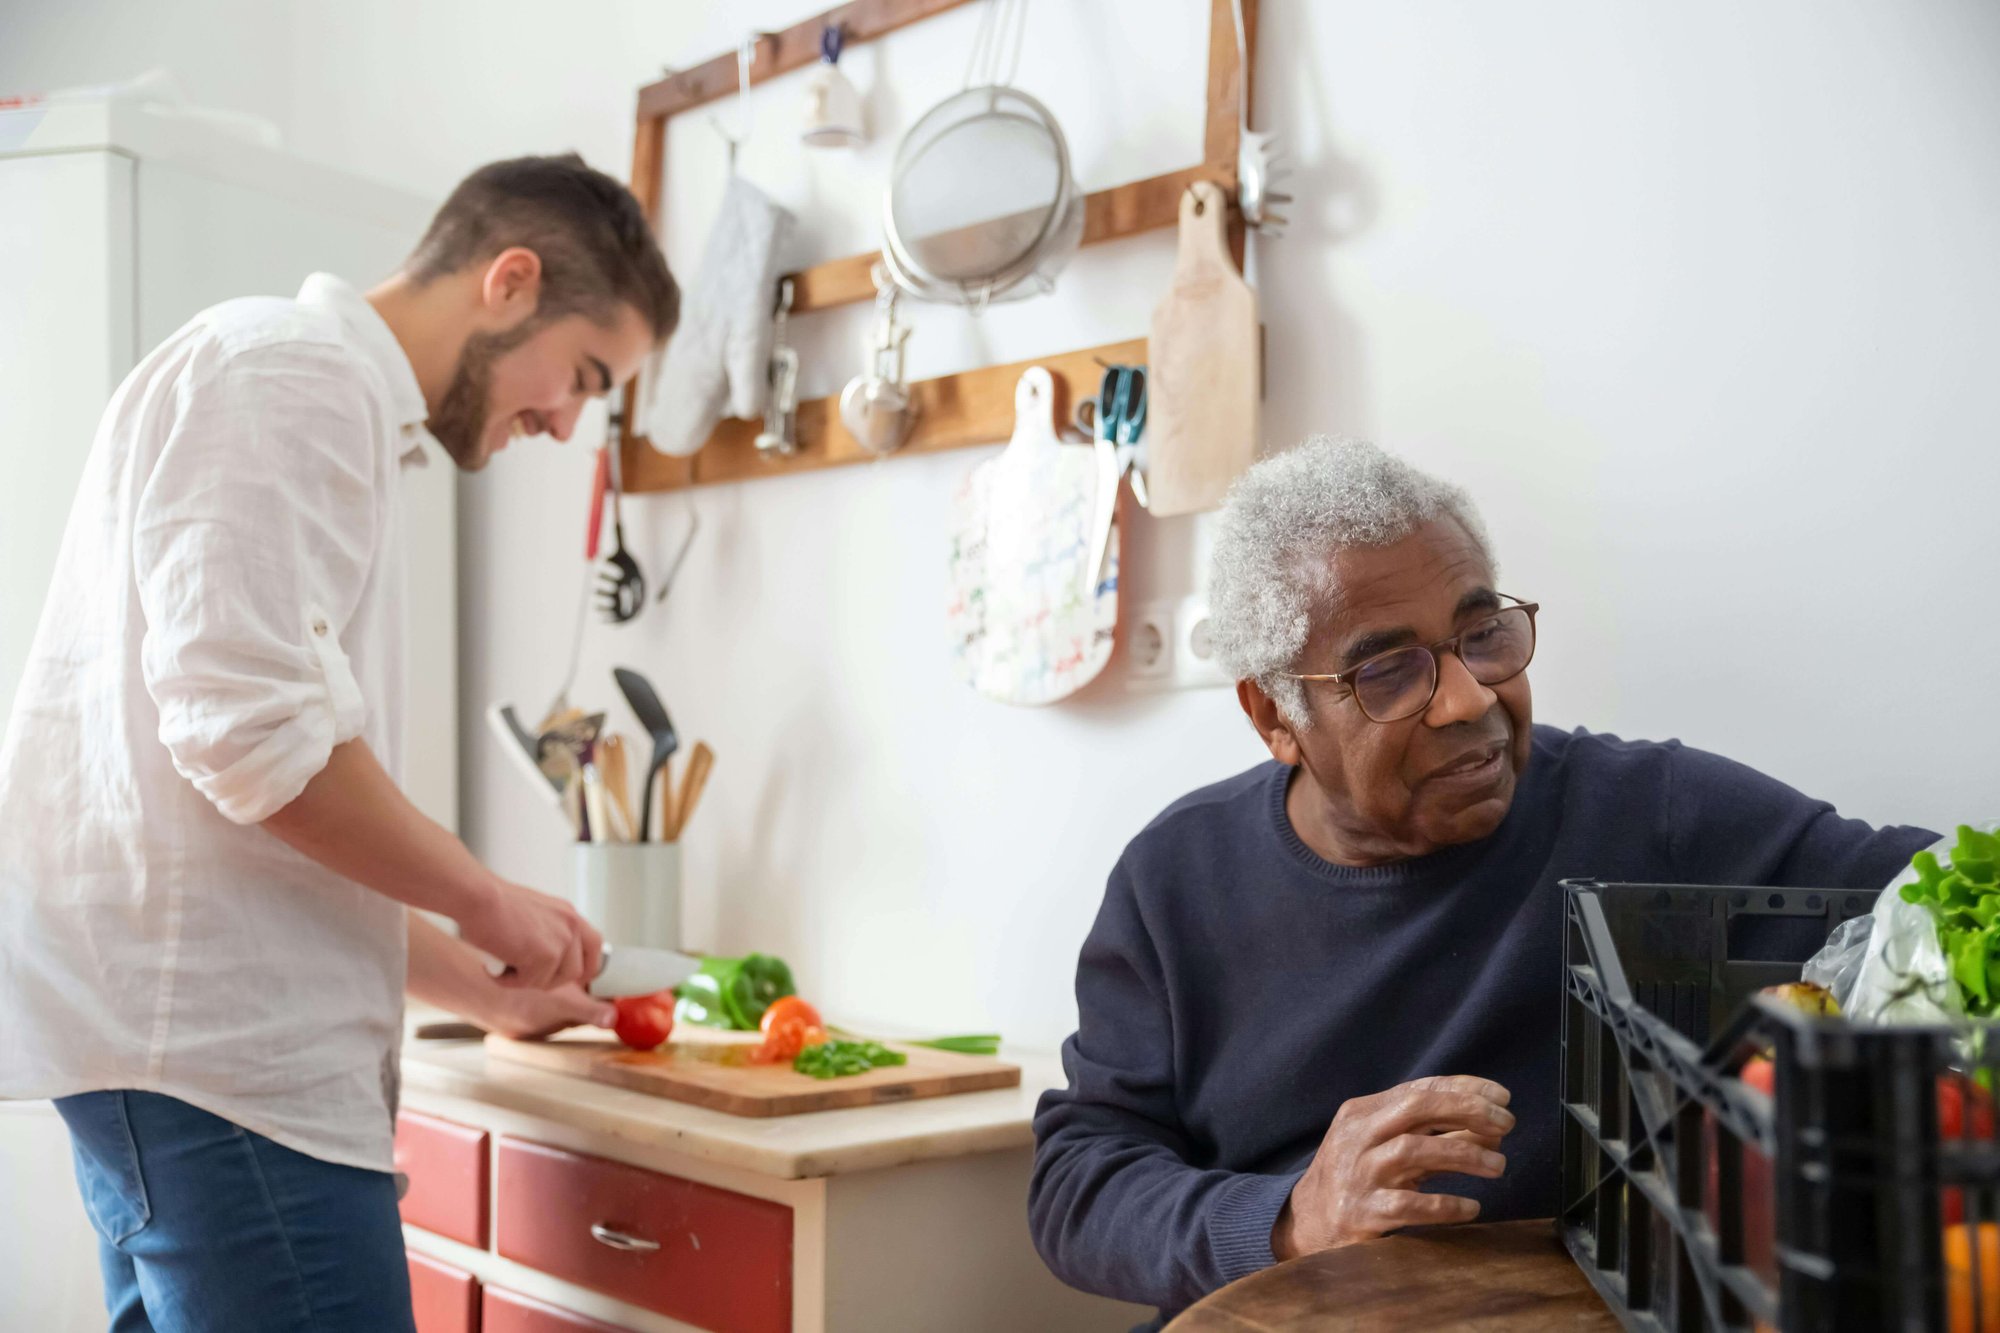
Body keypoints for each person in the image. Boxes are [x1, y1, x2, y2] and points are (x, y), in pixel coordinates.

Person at [1027, 436, 1938, 1329]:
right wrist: (1291, 1218)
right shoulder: (1175, 880)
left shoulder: (1647, 812)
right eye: (1387, 670)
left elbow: (1933, 890)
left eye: (1482, 634)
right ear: (1276, 714)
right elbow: (1081, 1177)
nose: (1467, 699)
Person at [0, 153, 678, 1332]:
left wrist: (481, 987)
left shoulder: (315, 396)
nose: (566, 420)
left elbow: (260, 811)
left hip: (184, 1064)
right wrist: (489, 902)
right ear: (509, 282)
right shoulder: (292, 376)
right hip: (227, 1075)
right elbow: (256, 740)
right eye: (581, 375)